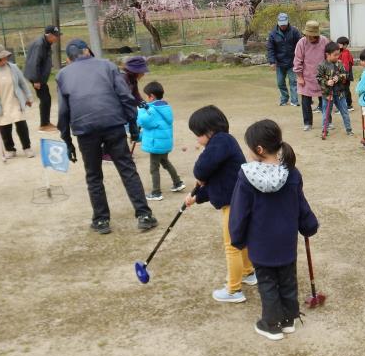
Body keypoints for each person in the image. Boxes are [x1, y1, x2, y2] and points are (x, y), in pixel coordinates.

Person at [228, 119, 319, 341]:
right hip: (286, 241)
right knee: (288, 280)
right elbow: (301, 205)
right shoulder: (291, 173)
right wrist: (309, 225)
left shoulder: (246, 177)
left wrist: (237, 238)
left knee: (268, 283)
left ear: (258, 150)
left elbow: (239, 212)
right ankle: (288, 320)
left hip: (261, 243)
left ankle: (271, 324)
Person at [56, 39, 157, 234]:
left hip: (85, 129)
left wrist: (67, 141)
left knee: (94, 175)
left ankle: (101, 220)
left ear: (68, 59)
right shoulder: (108, 66)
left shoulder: (63, 75)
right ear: (88, 52)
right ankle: (144, 215)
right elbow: (125, 97)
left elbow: (63, 112)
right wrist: (133, 126)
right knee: (127, 169)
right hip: (113, 124)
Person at [183, 105, 256, 303]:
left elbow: (201, 169)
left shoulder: (221, 140)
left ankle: (233, 290)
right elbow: (217, 185)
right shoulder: (222, 145)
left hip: (234, 204)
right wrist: (196, 197)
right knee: (240, 241)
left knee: (232, 245)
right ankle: (249, 272)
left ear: (208, 131)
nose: (197, 140)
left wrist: (200, 176)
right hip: (235, 201)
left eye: (197, 135)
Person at [0, 44, 36, 159]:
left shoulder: (13, 68)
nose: (5, 60)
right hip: (1, 104)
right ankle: (10, 149)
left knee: (21, 126)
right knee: (5, 128)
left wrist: (28, 97)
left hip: (15, 102)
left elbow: (22, 83)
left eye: (5, 57)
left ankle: (27, 148)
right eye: (1, 58)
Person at [137, 81, 186, 201]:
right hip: (164, 143)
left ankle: (156, 192)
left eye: (147, 96)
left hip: (156, 144)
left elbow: (143, 122)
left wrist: (141, 110)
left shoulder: (152, 110)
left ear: (151, 96)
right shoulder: (165, 107)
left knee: (154, 168)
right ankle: (178, 182)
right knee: (165, 162)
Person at [292, 21, 329, 131]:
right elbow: (297, 60)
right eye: (307, 35)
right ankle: (307, 123)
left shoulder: (324, 41)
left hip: (322, 76)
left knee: (325, 100)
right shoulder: (301, 43)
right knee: (306, 101)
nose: (309, 37)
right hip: (306, 76)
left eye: (312, 35)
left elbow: (328, 57)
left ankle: (328, 121)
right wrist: (299, 76)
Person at [23, 25, 61, 132]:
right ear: (48, 35)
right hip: (36, 76)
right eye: (55, 36)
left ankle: (46, 122)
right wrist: (36, 80)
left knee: (46, 98)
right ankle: (44, 125)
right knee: (45, 99)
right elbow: (34, 62)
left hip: (39, 76)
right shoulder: (40, 45)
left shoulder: (46, 43)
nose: (56, 38)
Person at [316, 41, 353, 138]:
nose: (337, 57)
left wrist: (339, 77)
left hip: (340, 93)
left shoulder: (339, 63)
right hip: (327, 94)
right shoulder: (321, 65)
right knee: (326, 113)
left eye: (338, 55)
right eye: (335, 55)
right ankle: (324, 130)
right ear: (327, 54)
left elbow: (346, 74)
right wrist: (327, 82)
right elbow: (319, 78)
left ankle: (349, 129)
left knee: (344, 111)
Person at [266, 13, 302, 107]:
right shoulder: (273, 34)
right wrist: (272, 62)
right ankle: (284, 99)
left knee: (293, 82)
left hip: (292, 62)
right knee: (280, 82)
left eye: (284, 24)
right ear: (278, 23)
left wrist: (299, 59)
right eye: (281, 24)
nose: (283, 26)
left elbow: (300, 46)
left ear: (288, 22)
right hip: (279, 63)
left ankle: (294, 101)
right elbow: (270, 49)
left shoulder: (294, 31)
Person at [337, 36, 355, 111]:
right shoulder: (342, 52)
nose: (338, 45)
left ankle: (348, 105)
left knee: (345, 89)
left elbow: (346, 66)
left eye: (340, 44)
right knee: (344, 89)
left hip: (345, 75)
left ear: (345, 45)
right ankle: (347, 104)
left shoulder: (345, 53)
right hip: (344, 74)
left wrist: (344, 76)